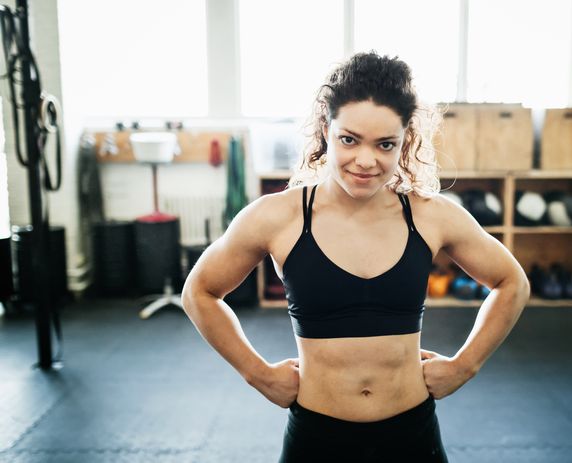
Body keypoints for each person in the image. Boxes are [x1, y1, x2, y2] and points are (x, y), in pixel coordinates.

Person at [182, 51, 530, 462]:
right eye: (349, 139)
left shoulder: (430, 215)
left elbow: (512, 283)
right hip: (317, 434)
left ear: (406, 142)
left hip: (411, 432)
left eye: (385, 144)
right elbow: (200, 291)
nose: (366, 161)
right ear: (325, 131)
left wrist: (465, 365)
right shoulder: (278, 217)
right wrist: (257, 374)